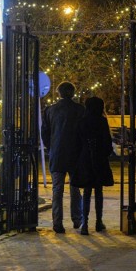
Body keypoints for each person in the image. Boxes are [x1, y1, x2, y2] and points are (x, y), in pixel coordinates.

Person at [41, 81, 85, 233]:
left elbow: (45, 133)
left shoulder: (50, 110)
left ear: (58, 93)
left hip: (57, 154)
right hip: (75, 154)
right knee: (75, 189)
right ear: (72, 93)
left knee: (57, 190)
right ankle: (77, 219)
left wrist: (51, 146)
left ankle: (57, 223)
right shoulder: (79, 110)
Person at [72, 96, 114, 235]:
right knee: (99, 192)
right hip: (99, 158)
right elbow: (107, 142)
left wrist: (80, 157)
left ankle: (85, 223)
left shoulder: (81, 121)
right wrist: (104, 154)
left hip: (85, 159)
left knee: (87, 192)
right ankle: (98, 221)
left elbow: (76, 143)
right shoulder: (102, 121)